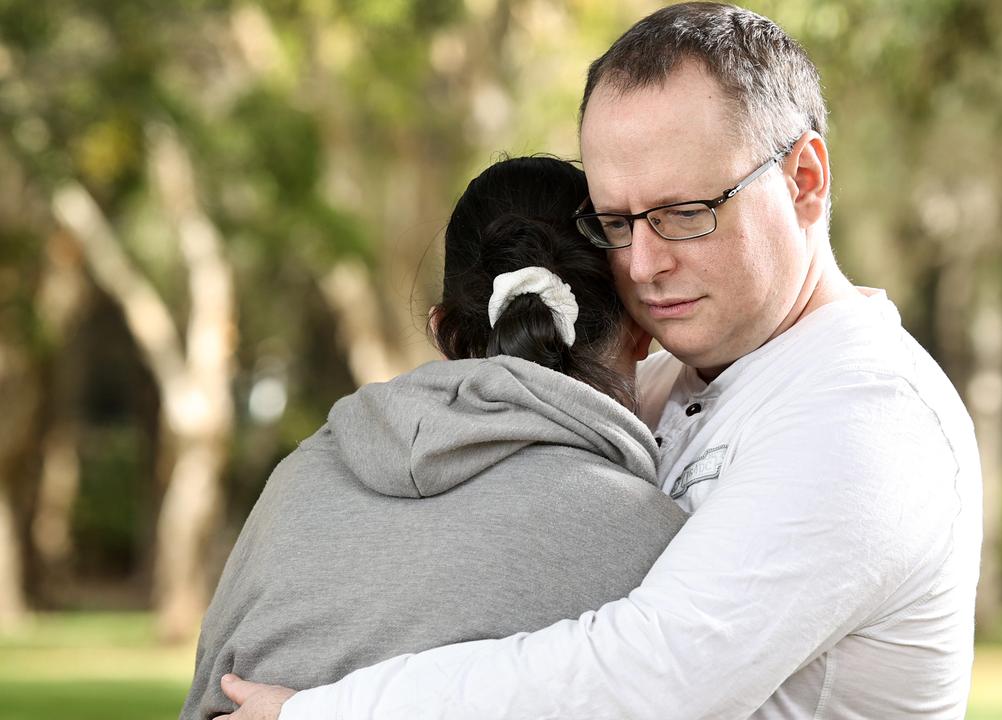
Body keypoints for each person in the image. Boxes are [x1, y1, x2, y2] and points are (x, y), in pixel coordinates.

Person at [221, 3, 983, 718]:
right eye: (617, 222)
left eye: (686, 213)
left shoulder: (865, 418)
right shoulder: (655, 381)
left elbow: (650, 676)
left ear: (804, 181)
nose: (644, 266)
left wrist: (322, 709)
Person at [182, 156, 687, 719]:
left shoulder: (298, 477)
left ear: (444, 329)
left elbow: (208, 690)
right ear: (643, 329)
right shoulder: (658, 540)